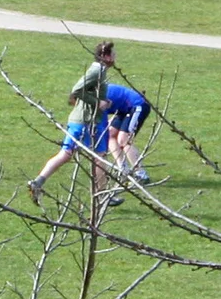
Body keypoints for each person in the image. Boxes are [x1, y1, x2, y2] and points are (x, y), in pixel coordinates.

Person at [28, 43, 113, 202]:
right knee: (100, 157)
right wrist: (97, 103)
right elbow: (77, 90)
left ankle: (38, 182)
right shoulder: (97, 71)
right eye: (113, 55)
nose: (115, 58)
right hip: (88, 122)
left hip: (79, 121)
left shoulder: (98, 71)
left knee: (66, 155)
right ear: (106, 56)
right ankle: (102, 196)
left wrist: (102, 101)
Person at [94, 79, 151, 185]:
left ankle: (141, 174)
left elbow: (101, 124)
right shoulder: (96, 96)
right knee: (111, 133)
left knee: (123, 139)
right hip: (124, 109)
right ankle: (123, 169)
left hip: (138, 105)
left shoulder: (100, 99)